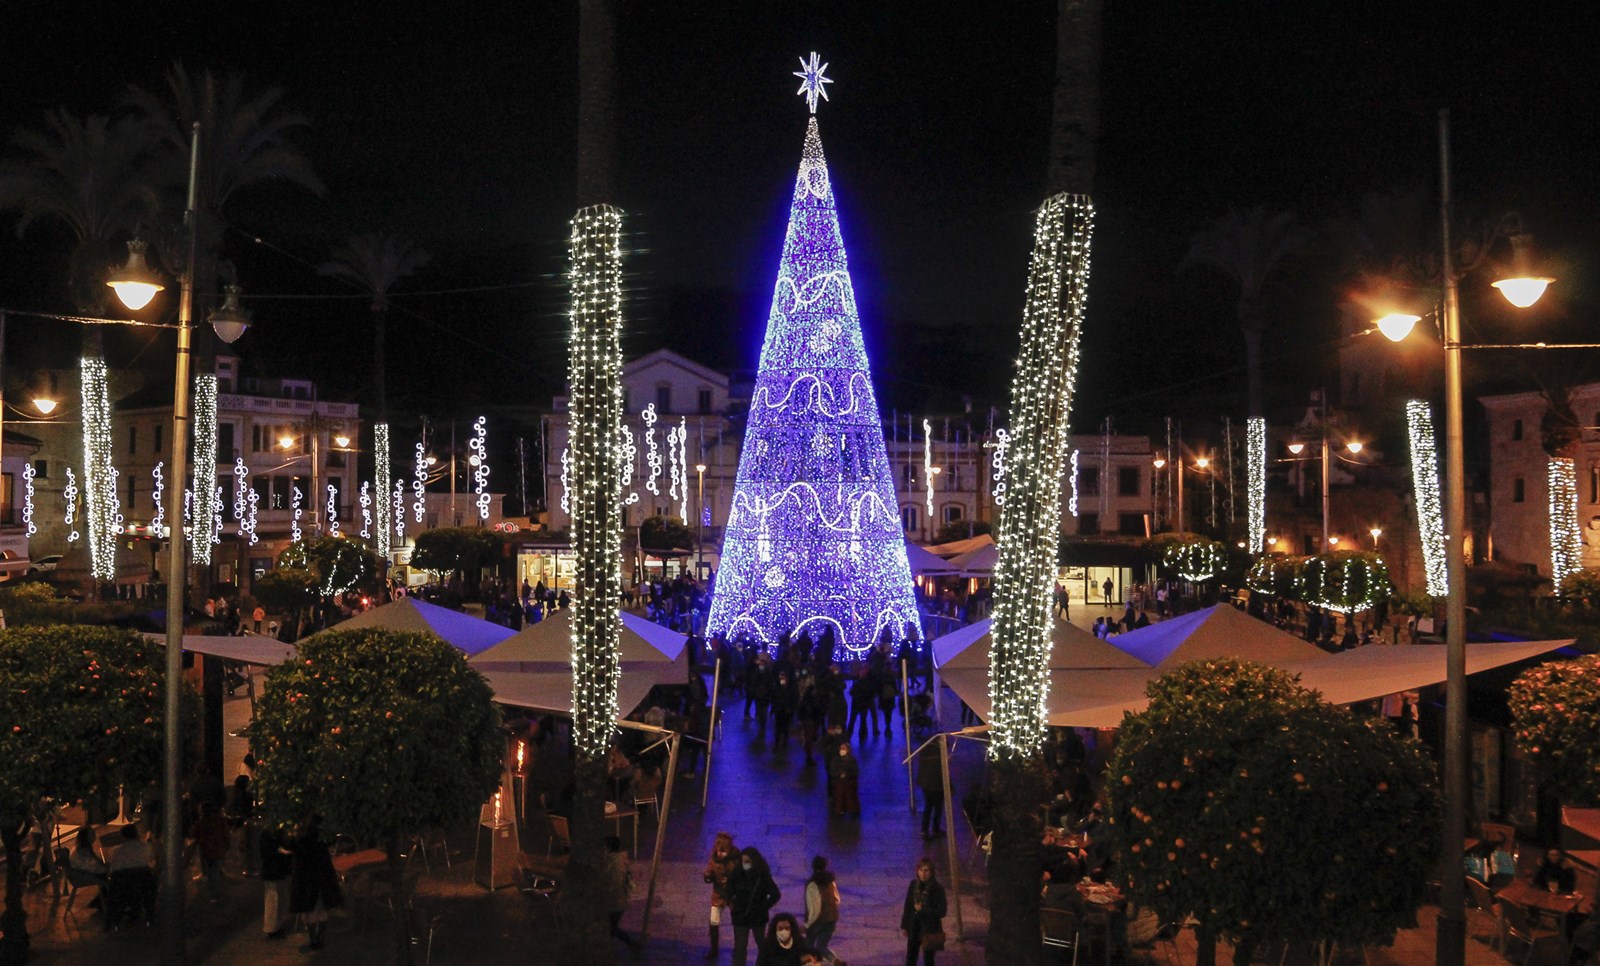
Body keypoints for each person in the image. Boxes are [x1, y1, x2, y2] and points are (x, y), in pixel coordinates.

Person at [289, 813, 343, 951]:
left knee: (310, 910)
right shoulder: (320, 832)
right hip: (322, 874)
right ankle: (320, 937)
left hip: (307, 876)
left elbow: (294, 848)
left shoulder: (302, 835)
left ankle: (314, 939)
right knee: (320, 908)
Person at [726, 846, 781, 966]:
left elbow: (775, 894)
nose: (744, 864)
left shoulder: (762, 876)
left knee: (761, 943)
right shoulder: (736, 873)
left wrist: (762, 907)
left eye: (747, 861)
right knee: (740, 946)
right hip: (740, 916)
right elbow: (728, 890)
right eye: (742, 861)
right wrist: (731, 903)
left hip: (757, 917)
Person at [106, 823, 157, 929]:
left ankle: (114, 920)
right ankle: (148, 916)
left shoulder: (116, 850)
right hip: (142, 883)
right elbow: (151, 862)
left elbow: (113, 867)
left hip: (121, 885)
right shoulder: (145, 847)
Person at [899, 859, 948, 966]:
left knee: (928, 959)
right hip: (914, 927)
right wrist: (904, 925)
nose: (923, 874)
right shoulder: (913, 885)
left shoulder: (937, 889)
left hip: (929, 929)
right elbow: (908, 906)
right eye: (921, 870)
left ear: (931, 872)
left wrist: (923, 910)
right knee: (911, 957)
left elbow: (942, 911)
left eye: (926, 871)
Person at [703, 832, 739, 959]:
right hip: (718, 894)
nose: (720, 854)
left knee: (737, 921)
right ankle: (714, 949)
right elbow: (709, 870)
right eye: (718, 851)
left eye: (723, 852)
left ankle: (738, 947)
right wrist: (708, 876)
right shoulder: (714, 858)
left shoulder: (736, 859)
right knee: (713, 921)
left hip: (733, 894)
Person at [605, 835, 642, 953]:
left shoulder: (614, 863)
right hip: (618, 900)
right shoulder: (616, 860)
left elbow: (615, 883)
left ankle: (632, 944)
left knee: (610, 928)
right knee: (609, 928)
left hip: (615, 901)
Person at [803, 855, 841, 964]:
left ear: (813, 867)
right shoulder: (831, 881)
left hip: (817, 922)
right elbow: (837, 899)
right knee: (822, 947)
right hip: (832, 919)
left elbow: (814, 909)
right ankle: (835, 961)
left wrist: (807, 925)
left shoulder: (812, 885)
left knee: (808, 946)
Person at [260, 824, 293, 940]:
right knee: (273, 899)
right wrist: (280, 850)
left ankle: (275, 926)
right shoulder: (270, 833)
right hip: (274, 871)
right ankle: (272, 928)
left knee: (275, 898)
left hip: (275, 870)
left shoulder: (270, 832)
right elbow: (267, 851)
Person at [195, 800, 231, 902]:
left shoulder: (202, 822)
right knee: (214, 869)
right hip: (219, 849)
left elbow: (194, 833)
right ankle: (214, 892)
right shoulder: (221, 822)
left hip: (206, 850)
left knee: (211, 869)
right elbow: (226, 835)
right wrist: (227, 845)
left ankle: (213, 891)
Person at [917, 742, 945, 841]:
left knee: (928, 806)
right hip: (936, 785)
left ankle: (924, 830)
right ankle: (935, 829)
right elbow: (942, 772)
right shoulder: (939, 754)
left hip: (925, 783)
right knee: (937, 807)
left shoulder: (926, 750)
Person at [829, 742, 861, 819]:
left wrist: (847, 774)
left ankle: (853, 811)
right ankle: (839, 811)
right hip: (839, 782)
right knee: (839, 796)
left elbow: (855, 771)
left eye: (844, 749)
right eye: (841, 749)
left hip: (849, 783)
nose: (842, 750)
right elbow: (832, 770)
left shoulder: (852, 760)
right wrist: (839, 774)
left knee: (850, 797)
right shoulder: (836, 759)